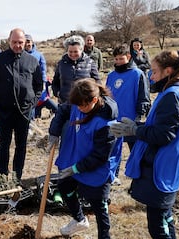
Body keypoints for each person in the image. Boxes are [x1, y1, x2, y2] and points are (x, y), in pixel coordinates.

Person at [110, 49, 179, 239]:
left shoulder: (172, 95)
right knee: (166, 217)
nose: (151, 76)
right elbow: (163, 126)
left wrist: (135, 130)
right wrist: (138, 125)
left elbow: (163, 134)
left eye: (155, 71)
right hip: (169, 163)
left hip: (160, 166)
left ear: (168, 71)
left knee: (158, 226)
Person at [48, 79, 118, 238]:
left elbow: (100, 156)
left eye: (82, 106)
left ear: (94, 100)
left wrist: (75, 169)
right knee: (65, 187)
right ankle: (79, 219)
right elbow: (63, 111)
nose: (78, 109)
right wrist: (54, 131)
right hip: (76, 157)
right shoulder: (79, 103)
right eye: (77, 105)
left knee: (99, 207)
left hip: (97, 168)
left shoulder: (106, 124)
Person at [0, 28, 43, 180]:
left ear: (26, 42)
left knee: (21, 145)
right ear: (9, 41)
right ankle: (3, 176)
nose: (18, 45)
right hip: (4, 111)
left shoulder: (32, 61)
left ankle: (18, 176)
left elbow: (38, 86)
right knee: (4, 144)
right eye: (14, 42)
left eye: (21, 42)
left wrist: (32, 103)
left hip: (24, 112)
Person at [105, 43, 151, 185]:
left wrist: (140, 115)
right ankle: (112, 176)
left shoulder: (137, 74)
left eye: (121, 59)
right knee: (113, 150)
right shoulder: (111, 75)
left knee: (135, 150)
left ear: (129, 57)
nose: (118, 62)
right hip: (113, 119)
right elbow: (106, 96)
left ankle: (139, 176)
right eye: (116, 59)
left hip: (130, 120)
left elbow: (144, 97)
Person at [52, 35, 100, 104]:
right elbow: (55, 82)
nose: (73, 54)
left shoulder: (90, 62)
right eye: (70, 52)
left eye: (75, 51)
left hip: (84, 104)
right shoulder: (61, 63)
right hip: (65, 102)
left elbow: (97, 81)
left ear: (81, 49)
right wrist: (58, 93)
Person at [24, 34, 57, 119]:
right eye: (24, 42)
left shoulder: (38, 55)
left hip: (38, 85)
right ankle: (30, 123)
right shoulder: (20, 54)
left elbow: (43, 69)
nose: (26, 44)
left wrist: (43, 82)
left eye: (28, 41)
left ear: (32, 42)